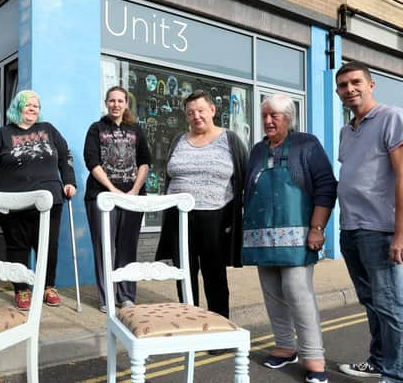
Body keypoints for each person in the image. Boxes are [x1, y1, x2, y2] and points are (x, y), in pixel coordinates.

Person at [242, 94, 336, 383]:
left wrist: (318, 228)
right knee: (271, 291)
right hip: (261, 236)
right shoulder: (257, 150)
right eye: (265, 116)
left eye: (275, 115)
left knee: (297, 291)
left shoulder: (307, 144)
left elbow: (326, 186)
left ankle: (314, 356)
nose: (268, 121)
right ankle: (284, 346)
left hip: (298, 236)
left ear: (289, 117)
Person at [335, 61, 403, 383]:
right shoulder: (346, 131)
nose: (349, 90)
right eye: (343, 85)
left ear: (371, 85)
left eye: (355, 82)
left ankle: (396, 373)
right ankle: (378, 362)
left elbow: (402, 176)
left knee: (390, 307)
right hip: (350, 229)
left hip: (379, 230)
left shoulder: (391, 117)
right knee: (372, 303)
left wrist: (400, 234)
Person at [155, 90, 247, 324]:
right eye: (190, 113)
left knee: (214, 275)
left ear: (212, 111)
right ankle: (191, 324)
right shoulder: (178, 140)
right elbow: (169, 175)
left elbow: (244, 178)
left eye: (201, 111)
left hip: (215, 217)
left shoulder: (230, 139)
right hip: (179, 217)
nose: (196, 116)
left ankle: (218, 328)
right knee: (184, 274)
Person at [0, 90, 76, 310]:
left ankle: (47, 287)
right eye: (28, 105)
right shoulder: (2, 135)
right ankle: (21, 289)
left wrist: (69, 181)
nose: (33, 108)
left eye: (36, 105)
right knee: (17, 246)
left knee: (48, 246)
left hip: (49, 199)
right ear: (18, 107)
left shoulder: (48, 130)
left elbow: (65, 156)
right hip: (13, 201)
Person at [84, 86, 150, 313]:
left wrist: (134, 191)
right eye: (112, 101)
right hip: (101, 197)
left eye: (120, 101)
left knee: (127, 247)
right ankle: (107, 298)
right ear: (106, 103)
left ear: (126, 104)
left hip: (132, 197)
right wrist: (112, 189)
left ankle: (127, 296)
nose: (116, 105)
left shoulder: (136, 129)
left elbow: (144, 161)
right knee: (104, 248)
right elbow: (91, 161)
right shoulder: (96, 128)